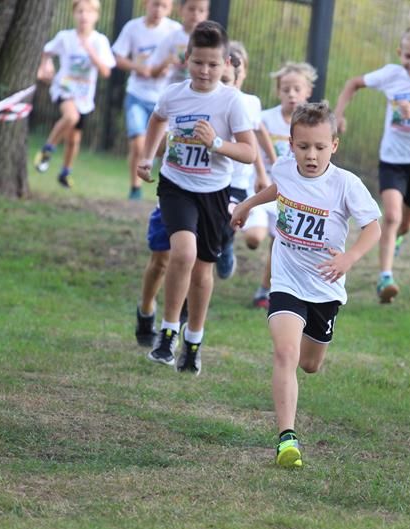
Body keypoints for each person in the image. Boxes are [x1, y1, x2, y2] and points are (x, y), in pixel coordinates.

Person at [231, 102, 381, 467]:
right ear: (291, 145)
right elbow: (279, 188)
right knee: (286, 353)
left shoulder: (346, 184)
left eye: (319, 147)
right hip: (286, 279)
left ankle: (303, 356)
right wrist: (249, 204)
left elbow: (373, 228)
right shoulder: (285, 167)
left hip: (325, 287)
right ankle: (287, 438)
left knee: (310, 364)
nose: (310, 155)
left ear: (334, 145)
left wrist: (348, 258)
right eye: (302, 147)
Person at [136, 21, 256, 375]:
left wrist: (216, 143)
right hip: (176, 186)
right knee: (183, 253)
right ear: (186, 59)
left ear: (227, 65)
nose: (205, 71)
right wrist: (147, 156)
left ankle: (193, 341)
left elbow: (249, 153)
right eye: (198, 62)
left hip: (214, 192)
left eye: (213, 64)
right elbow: (157, 120)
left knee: (203, 270)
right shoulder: (174, 94)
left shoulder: (232, 102)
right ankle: (167, 333)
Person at [335, 24, 410, 303]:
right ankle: (385, 278)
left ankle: (398, 238)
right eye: (409, 56)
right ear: (400, 53)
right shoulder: (390, 74)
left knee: (406, 225)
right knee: (391, 216)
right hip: (392, 160)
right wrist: (338, 115)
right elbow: (353, 83)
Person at [244, 61, 317, 308]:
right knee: (254, 238)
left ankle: (264, 291)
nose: (291, 94)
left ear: (308, 91)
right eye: (286, 89)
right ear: (278, 91)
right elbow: (251, 147)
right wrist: (260, 173)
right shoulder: (265, 119)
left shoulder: (312, 125)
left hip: (289, 196)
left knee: (279, 244)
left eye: (297, 89)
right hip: (261, 186)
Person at [33, 0, 116, 188]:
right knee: (71, 117)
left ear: (96, 16)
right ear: (74, 14)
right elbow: (46, 51)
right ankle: (47, 149)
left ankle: (65, 173)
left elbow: (106, 72)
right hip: (64, 89)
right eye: (80, 11)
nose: (84, 16)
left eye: (89, 12)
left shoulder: (100, 41)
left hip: (84, 97)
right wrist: (45, 66)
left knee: (74, 140)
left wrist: (91, 52)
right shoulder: (65, 37)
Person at [214, 42, 273, 280]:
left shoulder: (250, 102)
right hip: (211, 174)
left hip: (237, 178)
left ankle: (225, 245)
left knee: (227, 220)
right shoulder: (209, 100)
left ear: (241, 73)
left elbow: (256, 137)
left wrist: (263, 173)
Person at [112, 0, 181, 200]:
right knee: (138, 144)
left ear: (171, 8)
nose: (158, 9)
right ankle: (135, 188)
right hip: (137, 94)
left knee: (163, 146)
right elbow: (117, 57)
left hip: (164, 99)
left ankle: (166, 182)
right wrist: (138, 67)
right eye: (155, 4)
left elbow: (184, 58)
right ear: (145, 4)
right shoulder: (133, 27)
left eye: (164, 6)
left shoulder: (175, 31)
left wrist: (171, 66)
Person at [148, 0, 209, 86]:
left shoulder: (211, 41)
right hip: (174, 91)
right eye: (191, 9)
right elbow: (152, 73)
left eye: (201, 10)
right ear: (180, 10)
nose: (196, 13)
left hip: (199, 91)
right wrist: (166, 63)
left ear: (207, 14)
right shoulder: (171, 37)